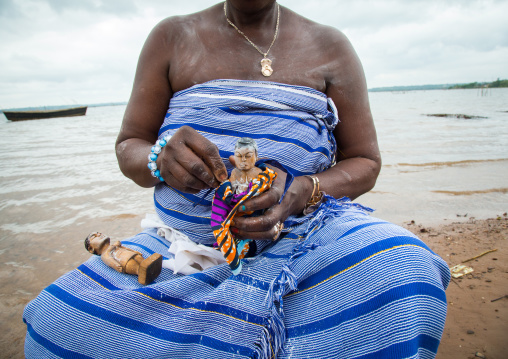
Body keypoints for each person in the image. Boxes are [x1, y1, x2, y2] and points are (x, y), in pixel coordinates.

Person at [23, 1, 450, 358]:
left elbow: (365, 161)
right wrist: (160, 155)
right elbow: (128, 145)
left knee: (403, 267)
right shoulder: (172, 37)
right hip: (182, 244)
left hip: (310, 235)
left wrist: (303, 191)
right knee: (55, 323)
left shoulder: (331, 46)